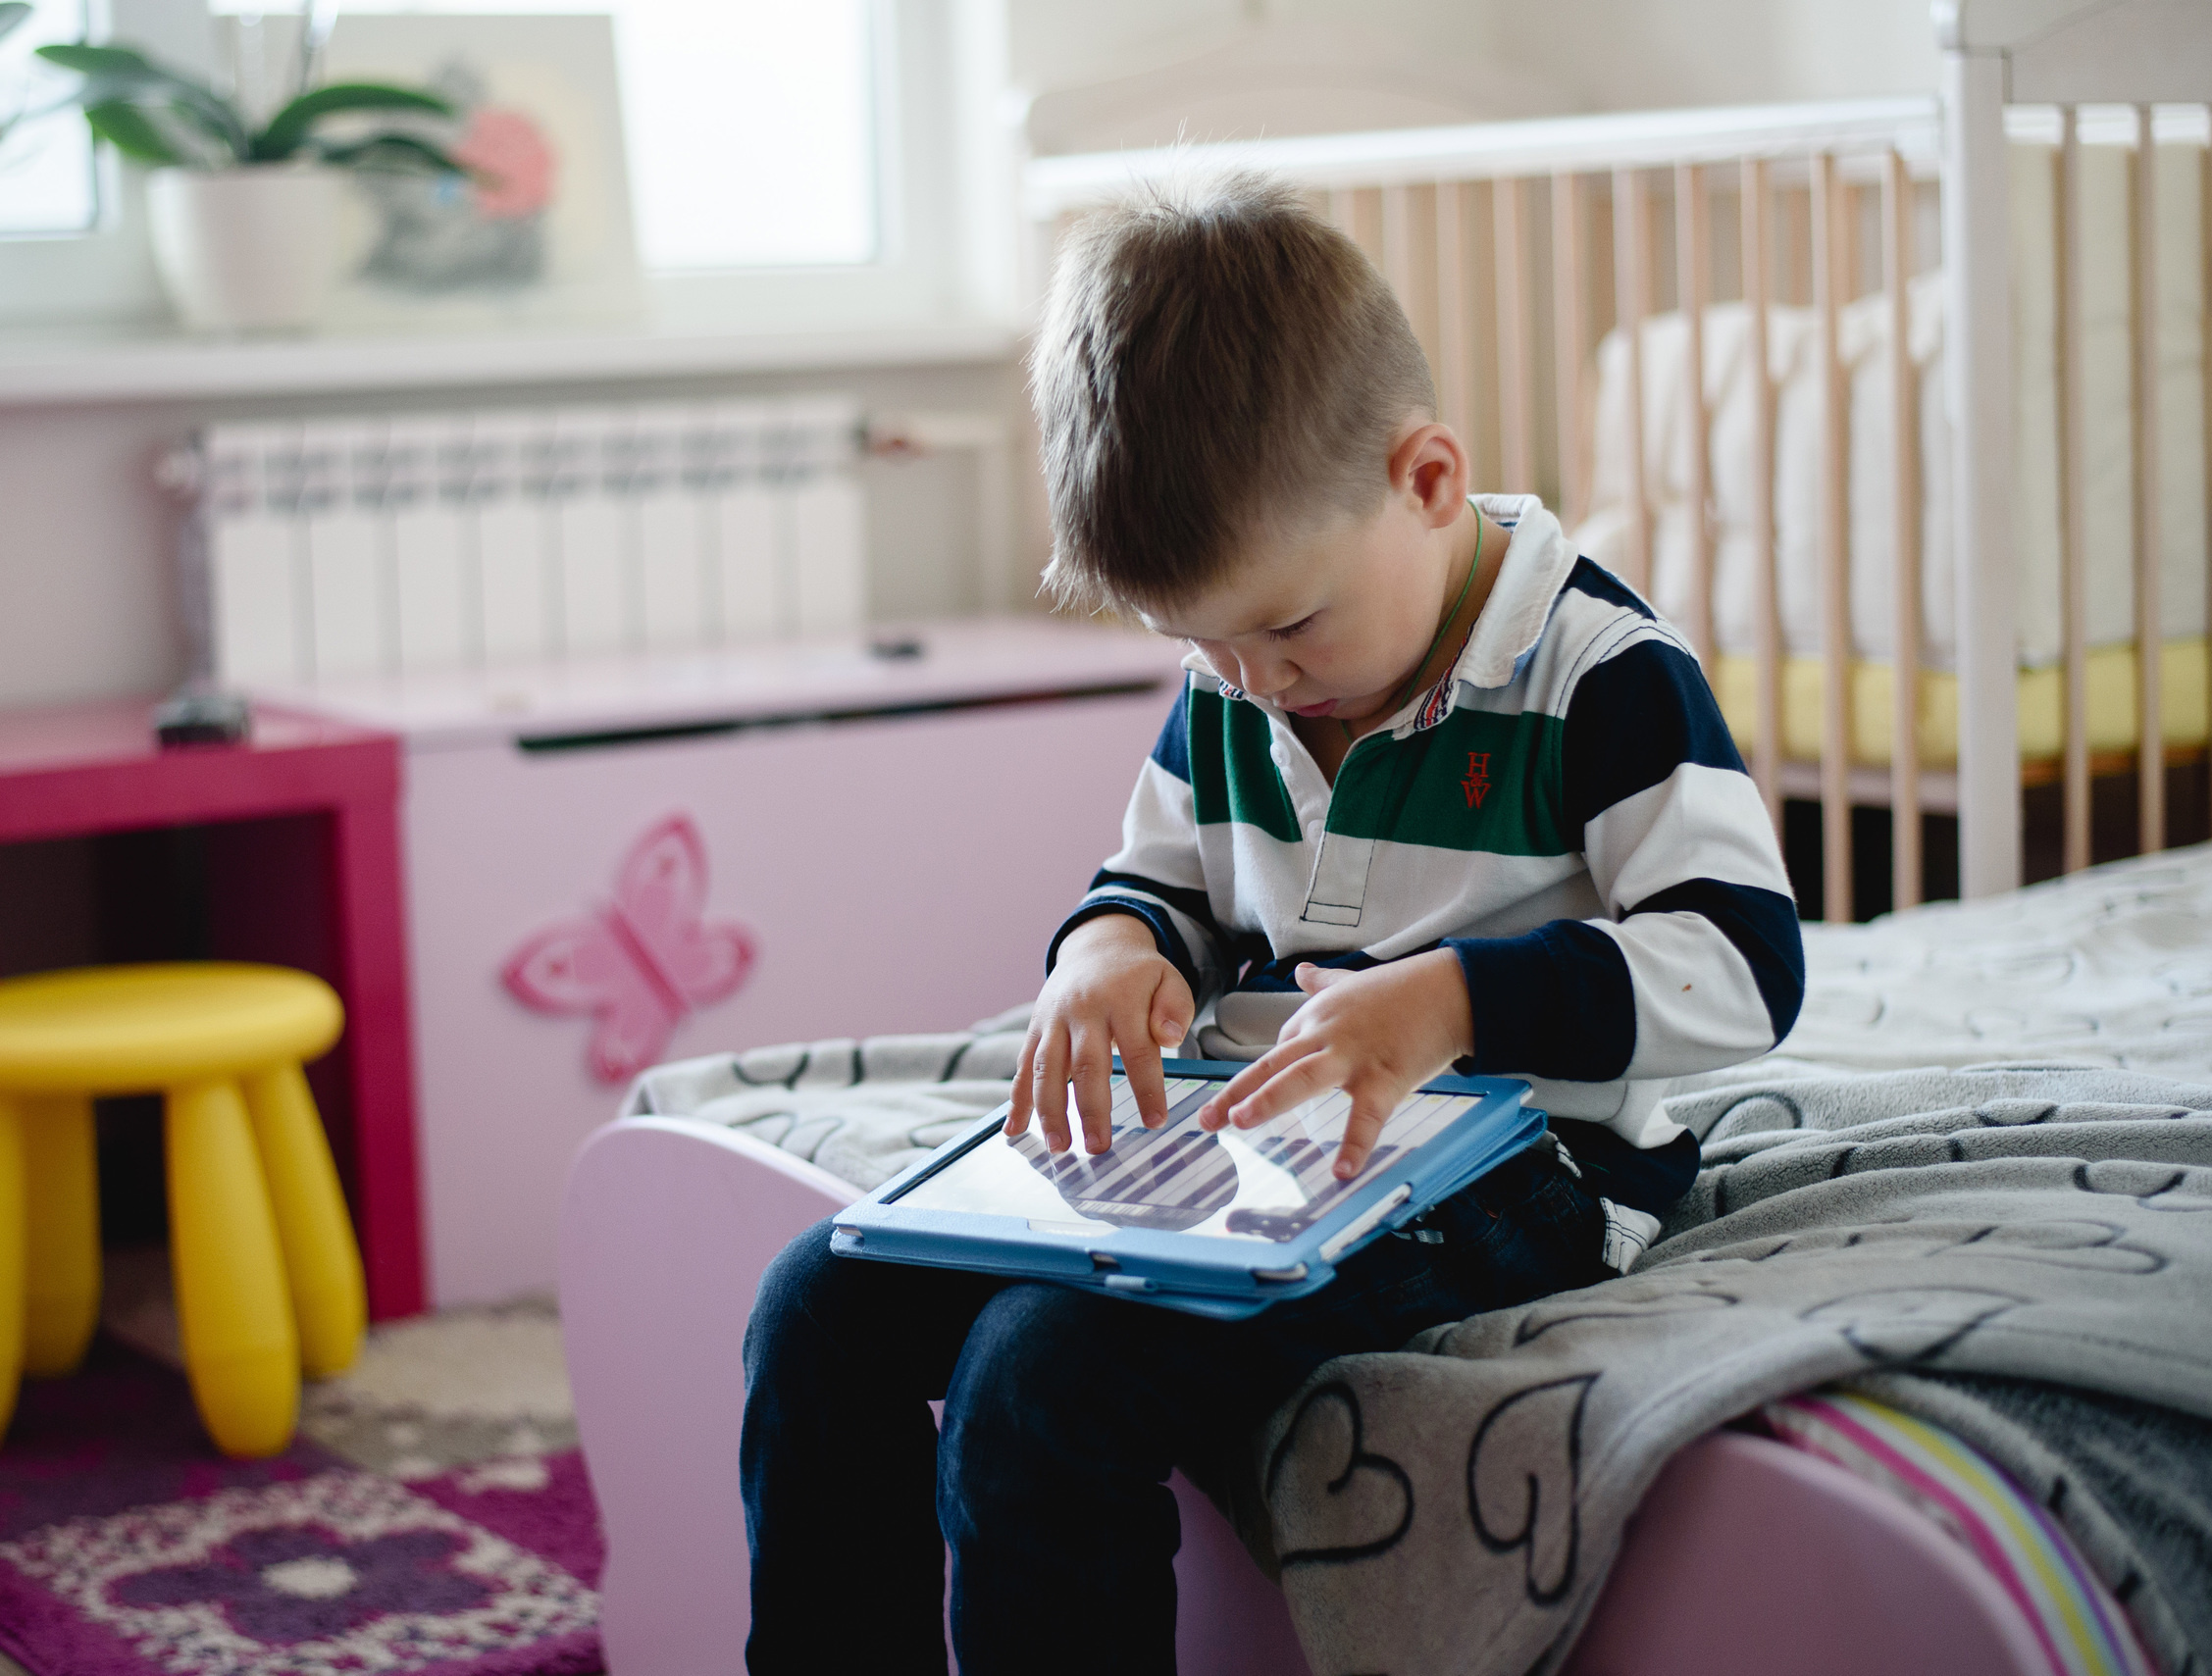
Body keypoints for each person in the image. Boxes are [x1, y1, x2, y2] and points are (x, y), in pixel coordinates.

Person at [739, 173, 1803, 1676]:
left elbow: (1745, 961)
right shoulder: (1241, 682)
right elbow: (1159, 884)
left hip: (1521, 1167)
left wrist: (1453, 999)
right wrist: (1110, 953)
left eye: (1290, 627)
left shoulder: (1600, 673)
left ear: (1426, 479)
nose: (1253, 682)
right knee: (818, 1299)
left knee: (1040, 1371)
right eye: (1202, 644)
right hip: (1254, 1144)